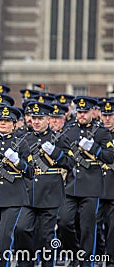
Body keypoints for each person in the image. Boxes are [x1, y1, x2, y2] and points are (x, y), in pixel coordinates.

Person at [15, 102, 75, 267]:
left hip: (50, 194)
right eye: (34, 118)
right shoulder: (25, 139)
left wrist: (55, 153)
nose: (36, 121)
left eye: (40, 118)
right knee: (21, 228)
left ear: (48, 119)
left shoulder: (60, 138)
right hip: (28, 194)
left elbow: (70, 163)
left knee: (46, 237)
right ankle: (26, 262)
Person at [58, 96, 114, 267]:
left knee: (88, 228)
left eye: (85, 112)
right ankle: (76, 253)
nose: (81, 115)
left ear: (92, 112)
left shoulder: (101, 132)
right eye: (79, 112)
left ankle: (85, 262)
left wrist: (95, 148)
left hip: (91, 186)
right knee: (64, 221)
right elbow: (60, 153)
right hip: (71, 185)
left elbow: (110, 156)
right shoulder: (69, 130)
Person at [0, 105, 33, 267]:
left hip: (13, 196)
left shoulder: (21, 144)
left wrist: (18, 162)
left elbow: (31, 172)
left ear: (14, 124)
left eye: (7, 121)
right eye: (0, 120)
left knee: (4, 237)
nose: (3, 123)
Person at [96, 99, 114, 267]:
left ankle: (110, 258)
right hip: (94, 186)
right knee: (93, 225)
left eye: (111, 115)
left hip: (112, 187)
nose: (107, 119)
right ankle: (100, 254)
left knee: (111, 227)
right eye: (105, 115)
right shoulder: (96, 133)